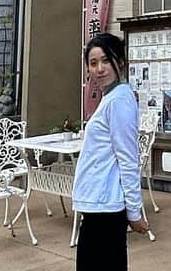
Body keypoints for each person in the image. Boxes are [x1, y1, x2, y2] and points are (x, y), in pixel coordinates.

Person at [72, 32, 150, 269]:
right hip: (97, 204)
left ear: (120, 62)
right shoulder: (111, 98)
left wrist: (134, 213)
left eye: (106, 60)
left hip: (105, 208)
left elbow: (128, 160)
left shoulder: (119, 101)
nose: (99, 68)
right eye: (93, 63)